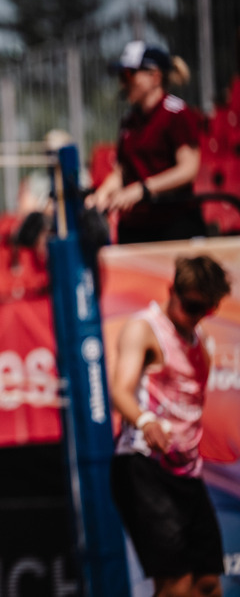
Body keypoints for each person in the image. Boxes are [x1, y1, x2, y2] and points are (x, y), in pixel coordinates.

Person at [109, 254, 231, 597]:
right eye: (192, 306)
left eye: (207, 310)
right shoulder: (143, 329)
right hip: (144, 465)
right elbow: (120, 390)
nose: (197, 317)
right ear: (171, 290)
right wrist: (146, 420)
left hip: (186, 473)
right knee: (175, 585)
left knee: (207, 584)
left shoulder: (200, 342)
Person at [86, 40, 205, 244]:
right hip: (135, 227)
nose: (123, 83)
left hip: (174, 225)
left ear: (154, 77)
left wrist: (143, 190)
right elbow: (122, 171)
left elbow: (188, 168)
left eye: (129, 75)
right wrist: (102, 194)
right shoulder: (129, 123)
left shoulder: (176, 114)